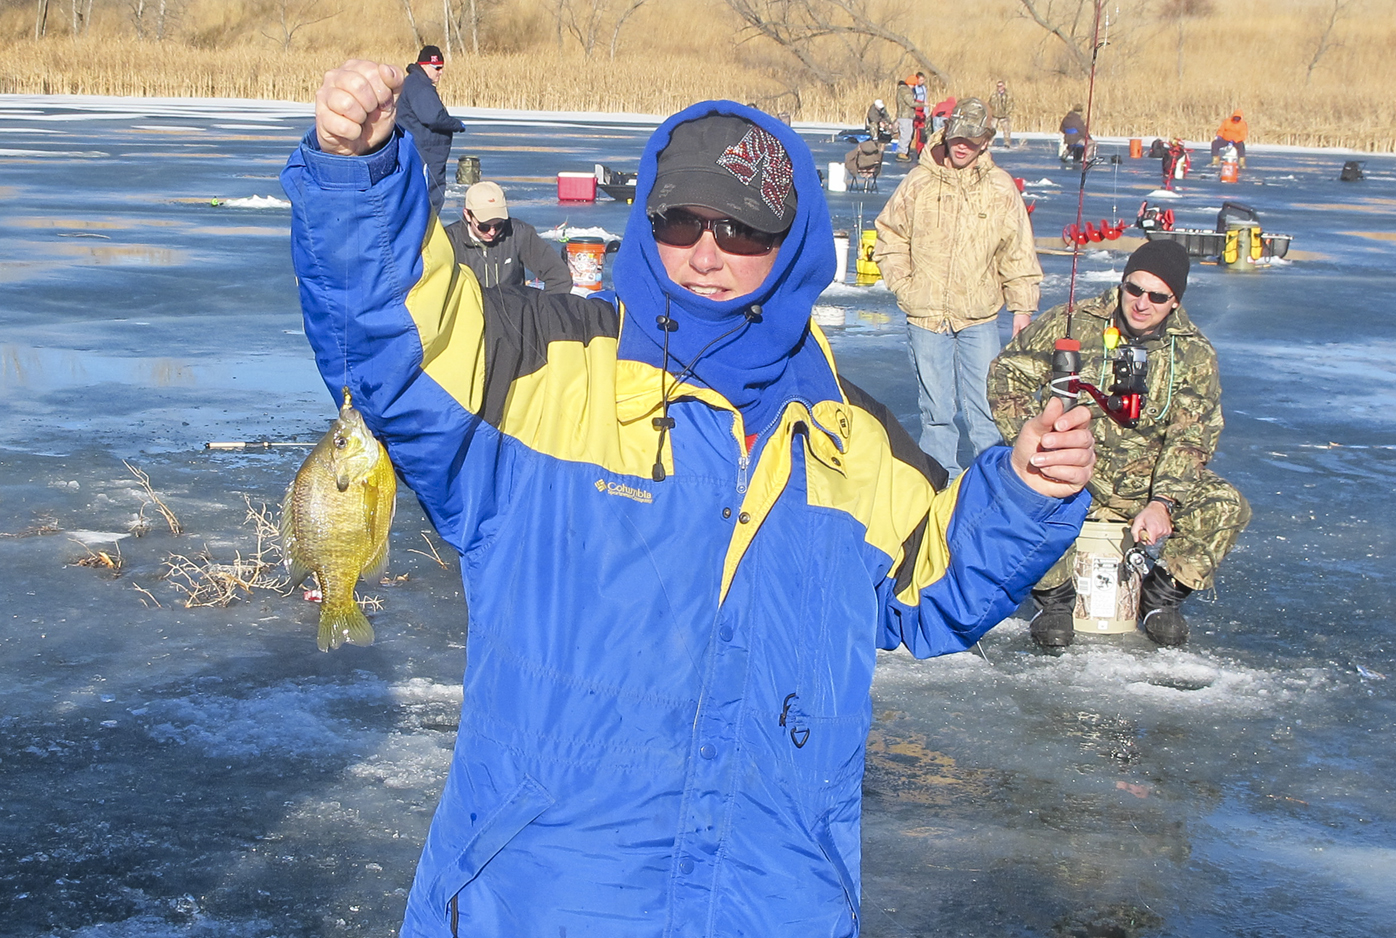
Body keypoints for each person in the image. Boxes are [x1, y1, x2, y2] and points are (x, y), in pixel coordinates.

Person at [286, 59, 1096, 937]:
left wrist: (1021, 492)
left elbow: (933, 587)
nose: (706, 253)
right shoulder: (538, 371)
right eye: (679, 219)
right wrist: (361, 174)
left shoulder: (850, 438)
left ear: (791, 245)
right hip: (535, 905)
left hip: (773, 909)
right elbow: (396, 343)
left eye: (743, 229)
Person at [989, 240, 1251, 648]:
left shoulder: (1193, 353)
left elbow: (1191, 437)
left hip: (1145, 482)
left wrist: (1162, 501)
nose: (1142, 303)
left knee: (1225, 503)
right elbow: (1008, 371)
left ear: (1175, 301)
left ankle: (1161, 597)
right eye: (1134, 289)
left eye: (1157, 296)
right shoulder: (1073, 322)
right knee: (1016, 493)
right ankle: (1055, 600)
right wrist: (1034, 441)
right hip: (1072, 466)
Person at [874, 97, 1042, 480]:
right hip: (926, 314)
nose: (962, 144)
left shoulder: (999, 188)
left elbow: (1017, 249)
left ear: (985, 141)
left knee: (986, 409)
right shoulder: (919, 181)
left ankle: (992, 483)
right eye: (957, 136)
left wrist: (1022, 307)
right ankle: (940, 483)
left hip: (979, 316)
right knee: (936, 412)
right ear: (946, 134)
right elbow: (889, 235)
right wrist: (905, 285)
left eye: (973, 138)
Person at [444, 181, 572, 293]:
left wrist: (543, 313)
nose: (492, 232)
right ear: (467, 215)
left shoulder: (519, 233)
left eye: (499, 225)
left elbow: (559, 276)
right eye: (484, 227)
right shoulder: (448, 239)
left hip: (512, 315)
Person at [395, 44, 466, 212]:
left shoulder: (416, 83)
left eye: (442, 67)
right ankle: (425, 232)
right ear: (425, 65)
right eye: (437, 68)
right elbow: (432, 117)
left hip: (423, 151)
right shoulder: (420, 86)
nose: (440, 72)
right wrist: (456, 124)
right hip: (424, 152)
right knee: (429, 196)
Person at [894, 78, 917, 160]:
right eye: (914, 85)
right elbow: (911, 103)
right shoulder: (905, 91)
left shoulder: (901, 90)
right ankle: (902, 153)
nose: (914, 87)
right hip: (906, 116)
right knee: (906, 135)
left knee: (905, 134)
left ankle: (903, 152)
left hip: (904, 116)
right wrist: (923, 104)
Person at [987, 79, 1013, 148]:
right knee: (992, 129)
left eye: (1000, 86)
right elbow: (989, 104)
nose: (999, 87)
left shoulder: (1008, 95)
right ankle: (990, 142)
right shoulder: (993, 95)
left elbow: (1010, 105)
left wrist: (1007, 113)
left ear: (1004, 86)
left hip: (1004, 116)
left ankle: (1007, 143)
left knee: (1006, 130)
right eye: (998, 86)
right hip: (995, 115)